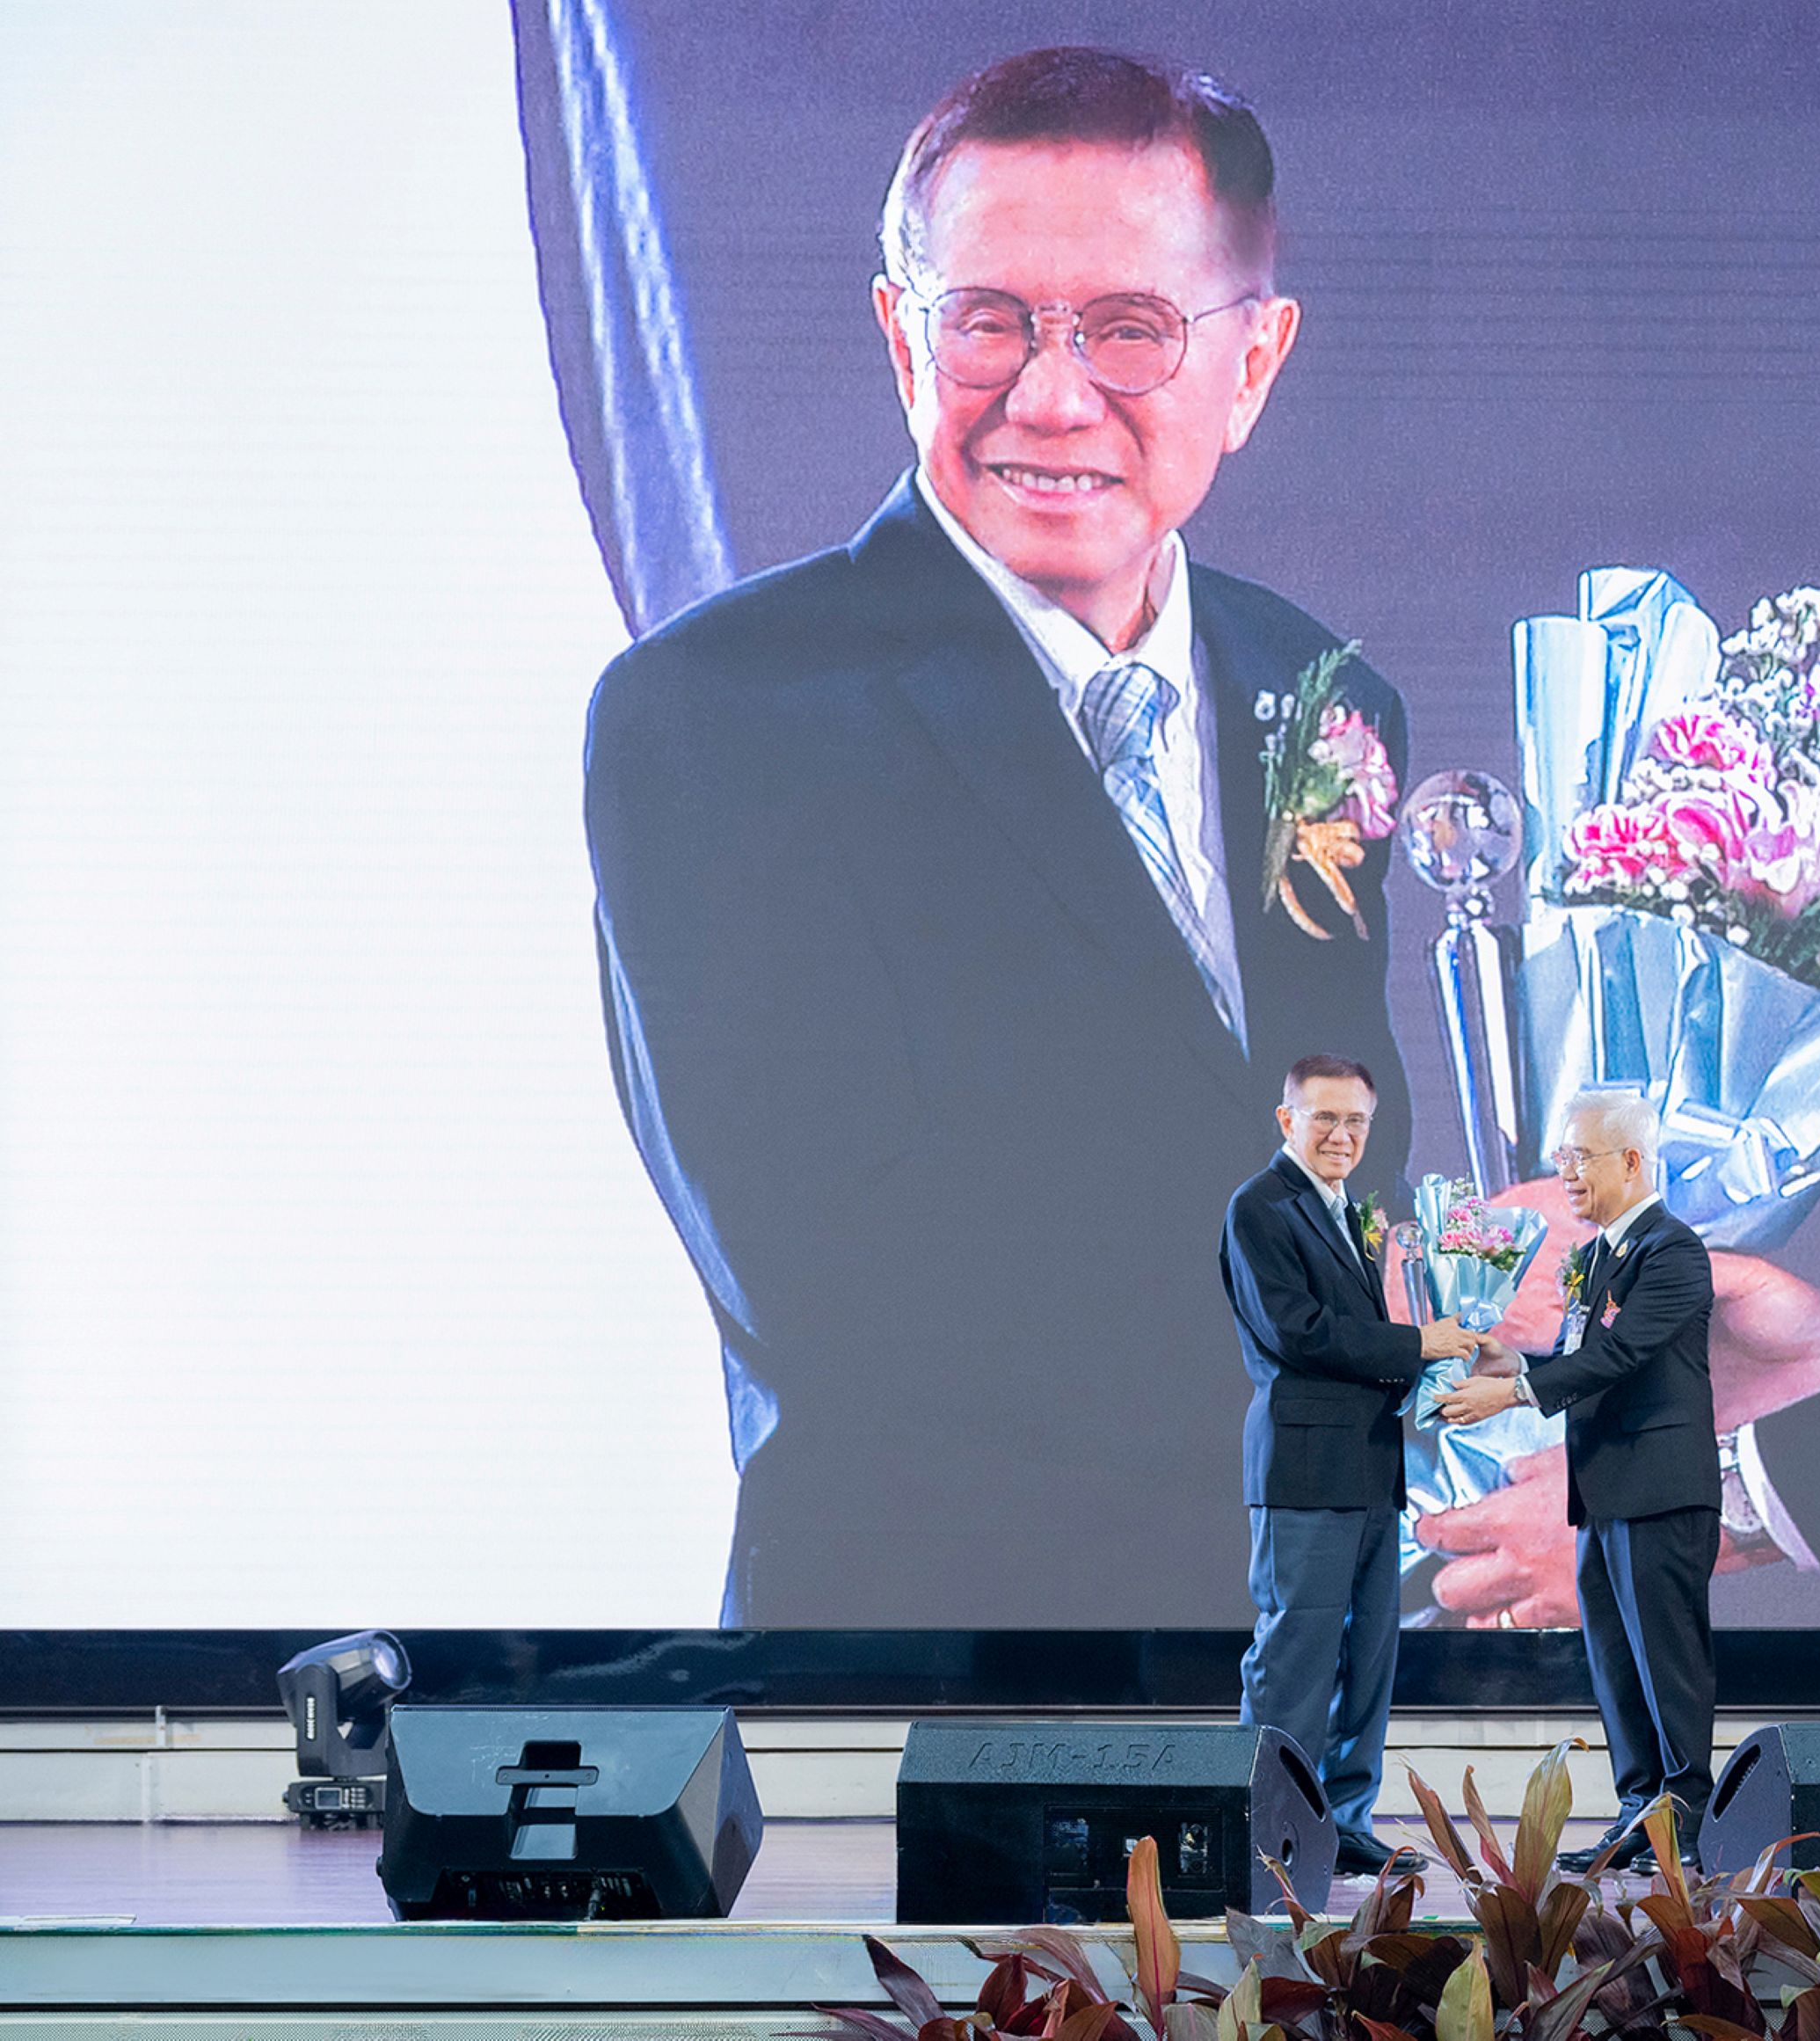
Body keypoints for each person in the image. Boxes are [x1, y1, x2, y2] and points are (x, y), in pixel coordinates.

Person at [582, 48, 1409, 1622]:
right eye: (986, 321)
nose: (1050, 394)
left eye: (1130, 328)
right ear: (902, 336)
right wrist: (1391, 1331)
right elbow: (838, 1287)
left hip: (1315, 1649)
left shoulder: (1320, 695)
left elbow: (1342, 1141)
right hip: (925, 1672)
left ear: (1252, 362)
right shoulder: (716, 714)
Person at [1436, 1092, 1716, 1864]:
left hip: (1661, 1492)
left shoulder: (1673, 1249)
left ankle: (1688, 1819)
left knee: (1667, 1660)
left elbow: (1620, 1356)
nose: (1565, 1171)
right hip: (1603, 1492)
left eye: (1578, 1157)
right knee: (1616, 1662)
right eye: (1560, 1156)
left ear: (1631, 1161)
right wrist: (1515, 1362)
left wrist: (1512, 1394)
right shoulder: (1595, 1257)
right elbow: (1580, 1356)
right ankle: (1638, 1809)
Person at [1219, 1056, 1472, 1875]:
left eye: (1356, 1120)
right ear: (1286, 1119)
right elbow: (1299, 1332)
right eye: (1324, 1117)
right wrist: (1418, 1344)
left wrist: (1442, 1369)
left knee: (1368, 1660)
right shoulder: (1260, 1206)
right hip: (1304, 1468)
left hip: (1370, 1467)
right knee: (1295, 1655)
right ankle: (1269, 1827)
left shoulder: (1352, 1212)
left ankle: (1343, 1819)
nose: (1341, 1134)